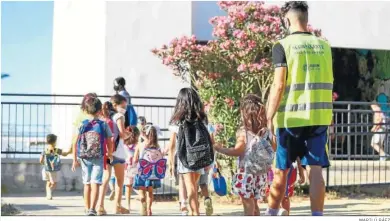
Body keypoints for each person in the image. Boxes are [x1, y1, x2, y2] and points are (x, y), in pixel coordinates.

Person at [266, 1, 333, 216]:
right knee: (315, 170)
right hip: (319, 117)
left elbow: (278, 85)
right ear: (306, 19)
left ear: (287, 20)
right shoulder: (324, 46)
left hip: (290, 119)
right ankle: (317, 216)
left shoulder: (282, 45)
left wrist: (269, 116)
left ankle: (271, 214)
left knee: (282, 171)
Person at [214, 94, 274, 216]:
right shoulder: (265, 130)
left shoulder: (243, 131)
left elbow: (238, 151)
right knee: (254, 203)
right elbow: (274, 148)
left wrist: (220, 149)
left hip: (246, 173)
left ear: (244, 113)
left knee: (248, 203)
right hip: (261, 173)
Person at [168, 87, 214, 216]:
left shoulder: (177, 121)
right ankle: (196, 211)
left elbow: (171, 145)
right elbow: (209, 139)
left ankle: (195, 213)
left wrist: (171, 163)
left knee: (191, 188)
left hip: (185, 158)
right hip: (200, 156)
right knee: (194, 185)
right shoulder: (202, 118)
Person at [71, 95, 114, 216]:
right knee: (96, 182)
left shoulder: (81, 125)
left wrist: (75, 159)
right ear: (100, 110)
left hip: (84, 157)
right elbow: (110, 140)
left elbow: (74, 142)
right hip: (98, 157)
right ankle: (92, 209)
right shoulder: (103, 124)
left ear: (85, 110)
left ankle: (86, 207)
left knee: (87, 183)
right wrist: (109, 153)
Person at [133, 125, 166, 216]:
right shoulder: (157, 146)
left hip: (142, 171)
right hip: (153, 172)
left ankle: (143, 203)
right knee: (150, 192)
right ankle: (149, 209)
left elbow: (135, 159)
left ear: (144, 134)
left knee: (142, 191)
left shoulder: (140, 145)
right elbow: (160, 158)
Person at [109, 94, 131, 214]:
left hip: (108, 151)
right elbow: (122, 134)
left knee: (105, 179)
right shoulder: (119, 116)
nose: (125, 108)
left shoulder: (107, 116)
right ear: (115, 105)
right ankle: (117, 206)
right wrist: (129, 135)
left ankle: (99, 206)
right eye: (123, 105)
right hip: (119, 151)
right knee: (120, 181)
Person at [96, 101, 115, 215]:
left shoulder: (96, 122)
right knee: (106, 178)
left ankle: (91, 206)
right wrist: (111, 153)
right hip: (106, 153)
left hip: (94, 154)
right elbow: (111, 140)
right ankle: (100, 206)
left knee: (95, 179)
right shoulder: (108, 122)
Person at [40, 134, 71, 200]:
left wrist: (44, 163)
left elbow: (41, 160)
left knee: (48, 182)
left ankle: (48, 195)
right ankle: (50, 191)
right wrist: (70, 151)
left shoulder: (45, 150)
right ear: (55, 142)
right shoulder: (56, 150)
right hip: (54, 170)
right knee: (54, 183)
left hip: (46, 169)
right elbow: (64, 154)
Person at [124, 126, 140, 212]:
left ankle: (128, 205)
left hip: (127, 166)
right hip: (137, 166)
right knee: (139, 185)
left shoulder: (123, 144)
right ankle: (142, 199)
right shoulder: (138, 144)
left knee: (128, 187)